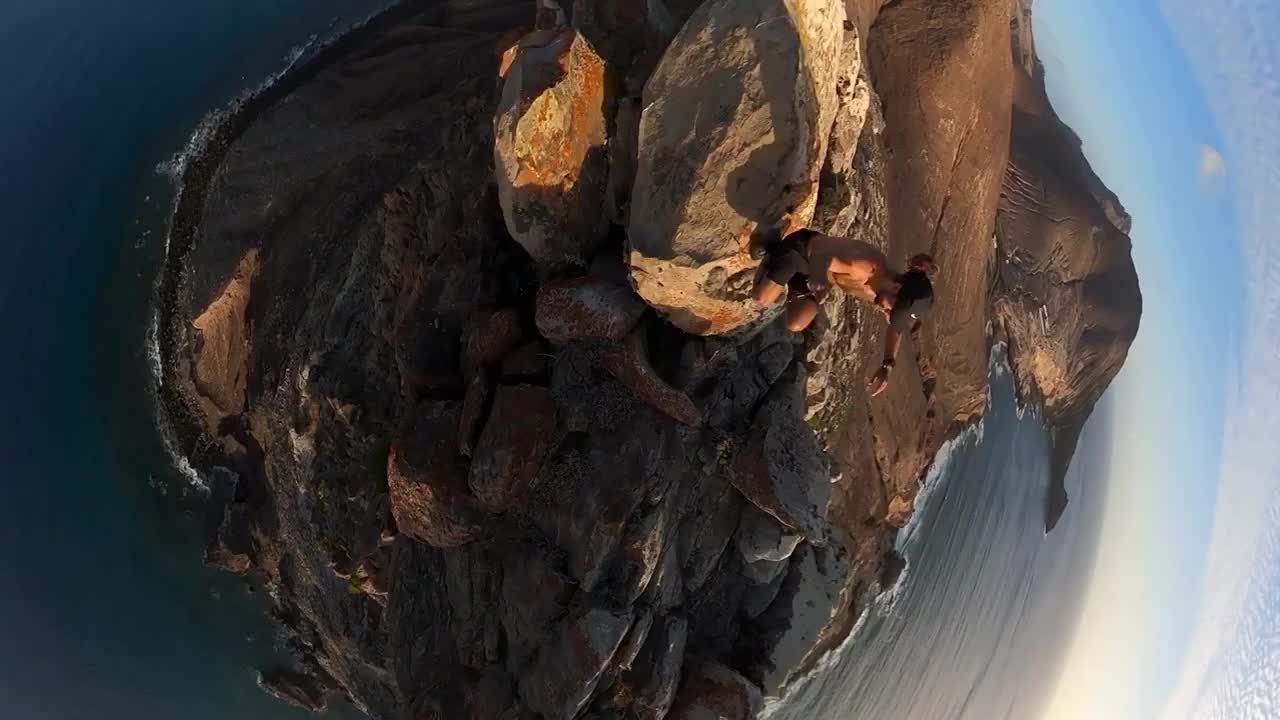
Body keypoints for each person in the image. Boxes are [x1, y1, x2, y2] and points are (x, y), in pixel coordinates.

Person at [752, 228, 936, 397]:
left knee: (796, 322)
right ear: (896, 288)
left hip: (810, 271)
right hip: (801, 250)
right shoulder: (865, 268)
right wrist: (819, 283)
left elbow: (896, 328)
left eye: (895, 313)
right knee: (762, 298)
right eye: (892, 309)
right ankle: (772, 246)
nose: (887, 312)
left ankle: (785, 276)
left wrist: (887, 364)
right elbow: (821, 256)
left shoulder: (883, 291)